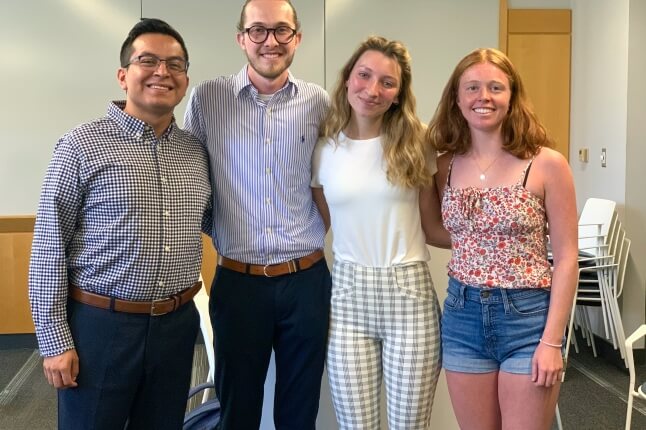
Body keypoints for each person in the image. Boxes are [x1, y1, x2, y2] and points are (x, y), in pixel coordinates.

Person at [28, 18, 212, 430]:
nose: (162, 72)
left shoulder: (195, 152)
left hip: (176, 327)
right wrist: (55, 340)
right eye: (148, 60)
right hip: (100, 328)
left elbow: (217, 223)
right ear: (123, 74)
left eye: (175, 64)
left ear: (185, 80)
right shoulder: (80, 145)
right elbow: (48, 249)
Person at [183, 1, 331, 428]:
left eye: (282, 30)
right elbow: (195, 180)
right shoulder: (208, 99)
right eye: (258, 31)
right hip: (238, 283)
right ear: (241, 38)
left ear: (297, 38)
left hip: (306, 281)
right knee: (238, 410)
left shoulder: (318, 103)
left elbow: (330, 180)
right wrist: (223, 232)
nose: (271, 41)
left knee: (299, 407)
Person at [427, 47, 578, 430]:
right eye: (473, 87)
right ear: (457, 99)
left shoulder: (545, 163)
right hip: (463, 316)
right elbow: (435, 232)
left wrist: (552, 341)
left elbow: (566, 257)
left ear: (512, 97)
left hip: (527, 319)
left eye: (496, 87)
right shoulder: (444, 164)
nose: (484, 97)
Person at [311, 36, 449, 430]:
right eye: (364, 75)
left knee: (410, 425)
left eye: (387, 82)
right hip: (349, 297)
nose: (373, 90)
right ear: (348, 78)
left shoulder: (417, 143)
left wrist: (493, 242)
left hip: (409, 297)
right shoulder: (324, 150)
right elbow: (316, 229)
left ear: (399, 93)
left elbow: (432, 226)